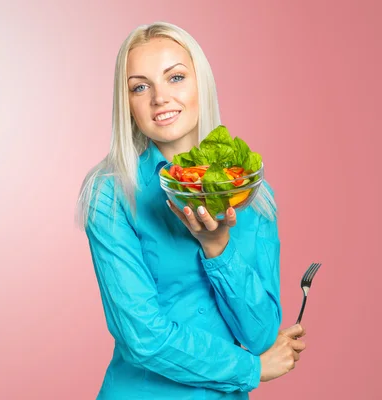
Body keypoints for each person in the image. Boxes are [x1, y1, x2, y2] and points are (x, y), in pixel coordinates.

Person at [75, 21, 307, 399]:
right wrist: (251, 368)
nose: (160, 98)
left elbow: (262, 333)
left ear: (201, 84)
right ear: (127, 102)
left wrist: (218, 247)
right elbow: (142, 337)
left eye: (176, 77)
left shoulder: (254, 195)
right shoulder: (111, 194)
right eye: (140, 86)